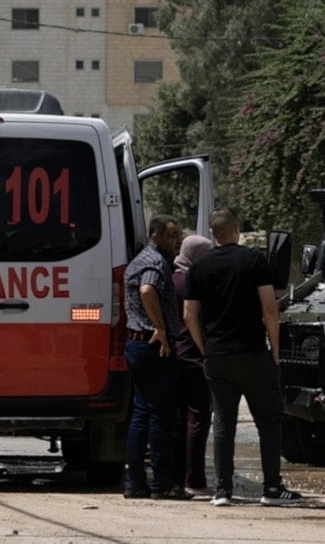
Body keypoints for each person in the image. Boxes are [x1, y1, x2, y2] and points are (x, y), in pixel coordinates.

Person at [183, 207, 302, 507]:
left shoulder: (198, 266)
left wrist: (204, 348)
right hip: (252, 354)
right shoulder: (254, 260)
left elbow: (189, 315)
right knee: (268, 422)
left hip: (218, 357)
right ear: (236, 230)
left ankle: (222, 490)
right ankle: (272, 489)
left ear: (213, 234)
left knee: (223, 424)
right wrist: (274, 349)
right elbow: (270, 308)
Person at [122, 215, 190, 500]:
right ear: (156, 236)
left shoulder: (142, 259)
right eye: (172, 235)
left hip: (138, 345)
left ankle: (135, 483)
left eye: (178, 235)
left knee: (141, 414)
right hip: (153, 346)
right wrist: (161, 328)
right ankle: (162, 484)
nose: (177, 241)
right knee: (161, 417)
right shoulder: (154, 261)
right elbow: (147, 289)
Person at [171, 233, 214, 496]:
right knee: (197, 419)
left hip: (171, 357)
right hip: (194, 357)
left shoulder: (170, 279)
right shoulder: (195, 284)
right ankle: (194, 479)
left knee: (176, 421)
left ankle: (173, 478)